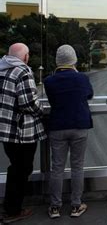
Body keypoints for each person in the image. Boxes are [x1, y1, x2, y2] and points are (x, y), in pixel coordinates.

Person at [43, 45, 94, 219]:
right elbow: (89, 95)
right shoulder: (82, 78)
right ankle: (76, 205)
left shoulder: (49, 81)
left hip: (57, 127)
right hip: (79, 126)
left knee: (57, 168)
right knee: (77, 167)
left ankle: (55, 207)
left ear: (58, 61)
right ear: (74, 60)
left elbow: (53, 99)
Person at [0, 43, 46, 223]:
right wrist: (42, 111)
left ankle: (11, 207)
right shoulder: (23, 72)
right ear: (25, 57)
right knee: (22, 169)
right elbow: (28, 103)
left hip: (5, 129)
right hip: (21, 132)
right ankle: (13, 210)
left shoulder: (2, 69)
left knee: (15, 167)